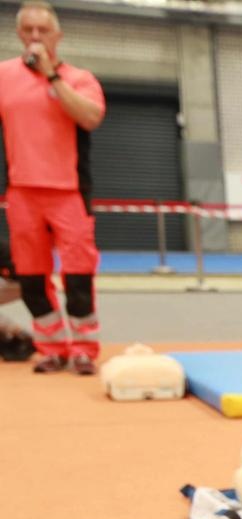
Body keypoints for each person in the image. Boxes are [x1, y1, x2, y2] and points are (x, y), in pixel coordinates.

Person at [0, 1, 104, 375]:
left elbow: (90, 117)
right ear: (18, 34)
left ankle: (83, 349)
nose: (35, 37)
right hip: (21, 193)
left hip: (68, 191)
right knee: (30, 279)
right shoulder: (4, 76)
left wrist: (51, 77)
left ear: (57, 36)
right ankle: (53, 348)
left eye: (42, 31)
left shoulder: (79, 78)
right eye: (28, 30)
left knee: (78, 276)